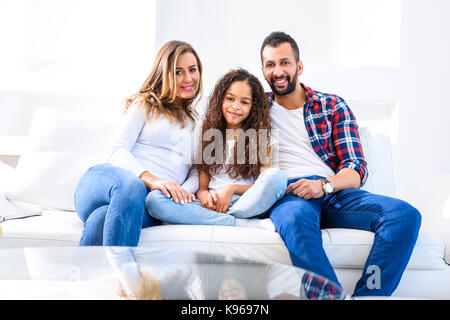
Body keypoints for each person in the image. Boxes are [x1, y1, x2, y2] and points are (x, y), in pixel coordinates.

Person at [260, 31, 421, 297]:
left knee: (404, 215)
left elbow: (356, 168)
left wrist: (322, 186)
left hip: (332, 191)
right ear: (264, 71)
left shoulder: (331, 105)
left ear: (299, 66)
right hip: (289, 194)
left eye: (284, 62)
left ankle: (370, 294)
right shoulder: (255, 108)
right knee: (294, 218)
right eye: (270, 65)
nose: (278, 71)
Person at [74, 40, 203, 246]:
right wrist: (154, 181)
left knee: (101, 219)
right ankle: (126, 278)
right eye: (178, 72)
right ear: (165, 74)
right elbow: (117, 149)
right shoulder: (146, 104)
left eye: (192, 70)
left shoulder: (199, 122)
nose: (188, 78)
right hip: (107, 183)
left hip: (143, 204)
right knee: (133, 186)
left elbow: (197, 170)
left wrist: (177, 193)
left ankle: (87, 278)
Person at [146, 68, 287, 231]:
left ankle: (218, 218)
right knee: (155, 200)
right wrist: (205, 196)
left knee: (277, 177)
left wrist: (232, 189)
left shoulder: (261, 136)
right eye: (230, 98)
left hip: (245, 203)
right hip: (210, 204)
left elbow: (263, 182)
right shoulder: (207, 133)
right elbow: (203, 186)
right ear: (221, 99)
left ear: (253, 107)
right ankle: (235, 223)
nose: (235, 106)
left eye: (244, 102)